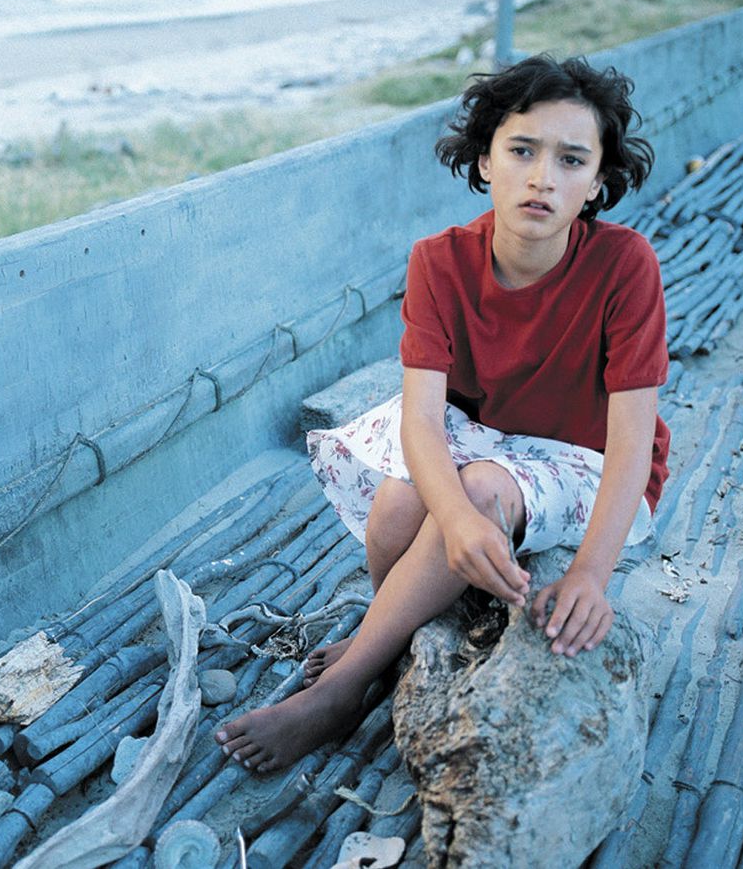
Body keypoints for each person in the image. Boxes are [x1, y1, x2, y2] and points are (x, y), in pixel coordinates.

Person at [216, 54, 670, 773]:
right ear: (485, 161)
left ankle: (344, 685)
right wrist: (452, 520)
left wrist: (590, 573)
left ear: (596, 184)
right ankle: (389, 637)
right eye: (521, 150)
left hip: (580, 456)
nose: (542, 175)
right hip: (480, 433)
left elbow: (632, 439)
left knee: (483, 489)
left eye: (571, 159)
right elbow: (422, 421)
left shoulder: (625, 265)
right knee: (402, 504)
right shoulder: (438, 260)